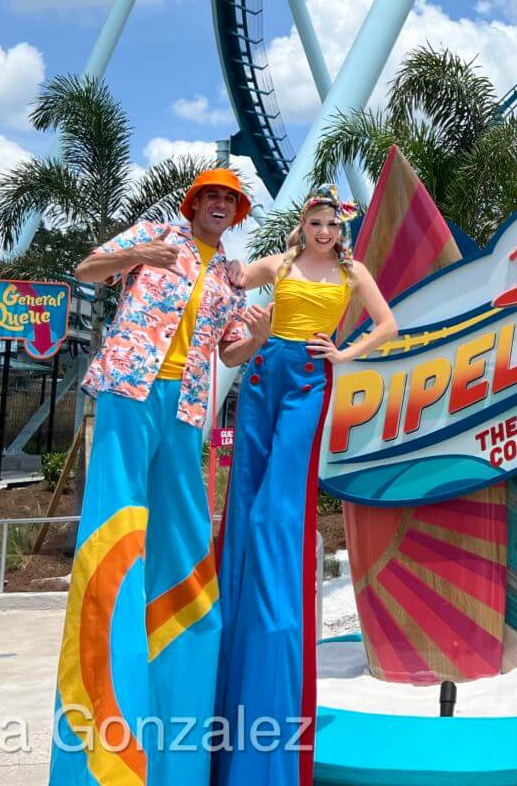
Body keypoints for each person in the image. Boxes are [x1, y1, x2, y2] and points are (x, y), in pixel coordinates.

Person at [50, 168, 251, 785]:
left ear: (236, 214)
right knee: (118, 526)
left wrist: (261, 335)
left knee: (185, 541)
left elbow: (232, 350)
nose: (218, 205)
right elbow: (86, 269)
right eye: (211, 196)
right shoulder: (156, 233)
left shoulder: (228, 276)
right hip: (129, 387)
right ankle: (106, 707)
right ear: (194, 204)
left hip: (187, 408)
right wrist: (139, 253)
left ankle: (177, 734)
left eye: (229, 200)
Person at [212, 187, 397, 786]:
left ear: (342, 230)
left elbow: (389, 324)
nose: (323, 231)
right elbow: (230, 277)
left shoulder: (352, 270)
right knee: (245, 503)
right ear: (303, 225)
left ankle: (274, 620)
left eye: (331, 224)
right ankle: (239, 607)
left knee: (276, 513)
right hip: (264, 375)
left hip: (309, 383)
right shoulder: (282, 263)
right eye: (314, 222)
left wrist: (346, 353)